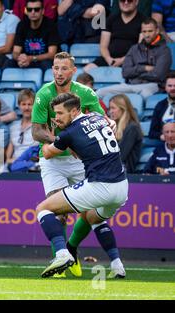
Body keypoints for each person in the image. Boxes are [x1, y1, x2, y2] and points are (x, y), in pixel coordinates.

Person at [31, 52, 116, 277]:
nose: (59, 73)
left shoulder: (86, 93)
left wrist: (111, 123)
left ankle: (71, 249)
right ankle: (61, 260)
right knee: (58, 212)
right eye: (55, 68)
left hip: (81, 161)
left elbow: (102, 121)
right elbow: (37, 131)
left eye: (64, 68)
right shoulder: (43, 94)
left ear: (73, 71)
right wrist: (62, 142)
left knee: (90, 213)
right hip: (52, 160)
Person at [37, 92, 128, 279]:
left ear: (75, 111)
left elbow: (46, 153)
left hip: (100, 185)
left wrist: (51, 138)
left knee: (43, 209)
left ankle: (62, 254)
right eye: (55, 113)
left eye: (61, 113)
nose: (57, 118)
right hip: (122, 187)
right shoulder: (97, 117)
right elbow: (109, 124)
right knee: (93, 218)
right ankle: (117, 265)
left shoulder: (69, 133)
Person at [96, 18, 172, 100]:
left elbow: (158, 75)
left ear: (157, 31)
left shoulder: (164, 50)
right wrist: (144, 68)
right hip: (130, 84)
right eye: (144, 31)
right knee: (100, 92)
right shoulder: (134, 49)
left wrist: (135, 73)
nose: (147, 35)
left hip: (151, 85)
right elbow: (125, 73)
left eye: (150, 31)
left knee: (144, 95)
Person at [84, 0, 145, 71]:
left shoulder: (143, 21)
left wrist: (122, 60)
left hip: (131, 59)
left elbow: (139, 48)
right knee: (86, 70)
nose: (126, 2)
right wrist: (109, 60)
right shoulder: (111, 19)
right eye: (122, 0)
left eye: (130, 0)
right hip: (109, 59)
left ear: (136, 2)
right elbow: (103, 46)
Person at [12, 0, 60, 71]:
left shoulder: (50, 25)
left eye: (36, 9)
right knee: (9, 63)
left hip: (44, 61)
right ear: (26, 11)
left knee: (46, 64)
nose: (33, 12)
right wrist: (20, 59)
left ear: (43, 11)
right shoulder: (21, 25)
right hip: (27, 61)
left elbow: (52, 54)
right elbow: (15, 51)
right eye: (29, 9)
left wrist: (31, 58)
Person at [5, 89, 40, 172]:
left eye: (30, 104)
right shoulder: (13, 126)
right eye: (23, 104)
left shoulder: (40, 126)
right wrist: (13, 161)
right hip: (15, 164)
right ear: (19, 105)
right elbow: (8, 158)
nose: (27, 108)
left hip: (32, 164)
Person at [108, 94, 143, 173]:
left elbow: (121, 155)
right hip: (112, 168)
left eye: (113, 108)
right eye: (109, 108)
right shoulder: (113, 126)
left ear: (123, 109)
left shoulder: (132, 128)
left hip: (123, 171)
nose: (110, 111)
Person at [149, 72, 175, 141]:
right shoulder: (160, 105)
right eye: (170, 86)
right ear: (165, 87)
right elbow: (152, 133)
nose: (172, 88)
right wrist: (162, 136)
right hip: (164, 145)